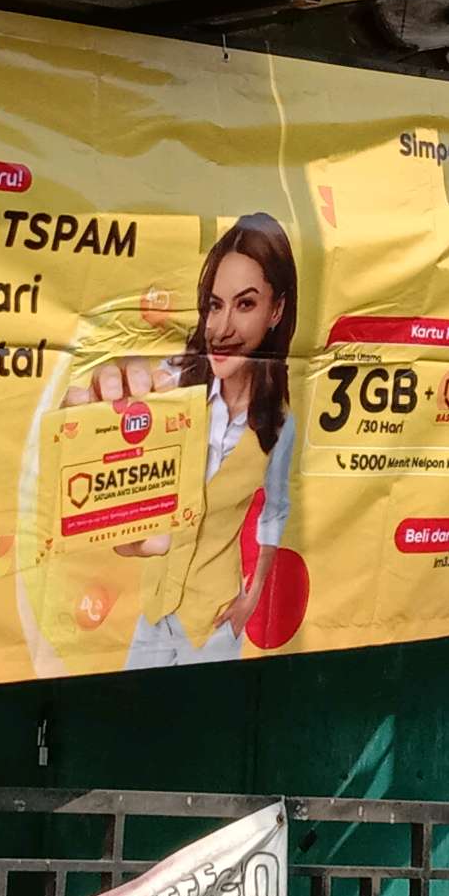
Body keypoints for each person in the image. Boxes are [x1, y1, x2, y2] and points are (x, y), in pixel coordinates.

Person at [64, 213, 297, 669]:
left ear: (276, 311)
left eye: (245, 304)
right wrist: (93, 413)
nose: (222, 329)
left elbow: (275, 512)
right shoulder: (171, 385)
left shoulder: (280, 424)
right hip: (153, 614)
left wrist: (251, 598)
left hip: (214, 624)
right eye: (214, 305)